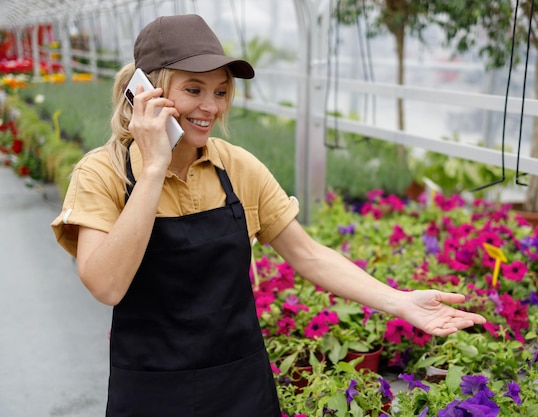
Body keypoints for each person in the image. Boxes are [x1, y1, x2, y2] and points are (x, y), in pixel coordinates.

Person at [51, 14, 485, 417]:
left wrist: (400, 301)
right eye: (194, 89)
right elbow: (106, 285)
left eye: (220, 91)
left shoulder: (236, 167)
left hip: (241, 385)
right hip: (151, 391)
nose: (211, 107)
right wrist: (152, 170)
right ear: (147, 92)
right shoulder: (102, 173)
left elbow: (308, 254)